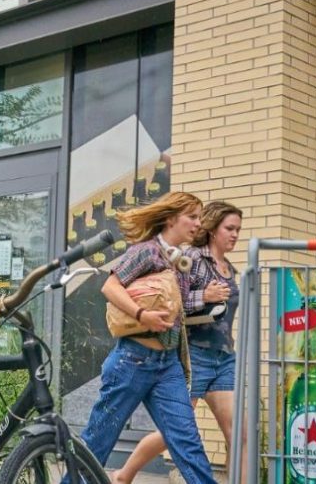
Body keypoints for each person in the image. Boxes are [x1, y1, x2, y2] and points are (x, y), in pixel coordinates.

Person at [79, 191, 217, 484]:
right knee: (97, 443)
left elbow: (176, 308)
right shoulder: (147, 251)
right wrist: (142, 315)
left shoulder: (179, 261)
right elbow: (110, 286)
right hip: (132, 360)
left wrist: (206, 298)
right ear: (170, 218)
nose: (197, 223)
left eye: (199, 217)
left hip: (167, 367)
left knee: (187, 442)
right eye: (192, 216)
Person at [114, 201, 246, 484]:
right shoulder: (192, 259)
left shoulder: (230, 269)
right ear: (213, 229)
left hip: (223, 356)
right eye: (229, 228)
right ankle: (124, 475)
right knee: (174, 431)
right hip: (194, 354)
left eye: (238, 230)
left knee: (239, 434)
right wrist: (204, 297)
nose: (235, 235)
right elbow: (172, 303)